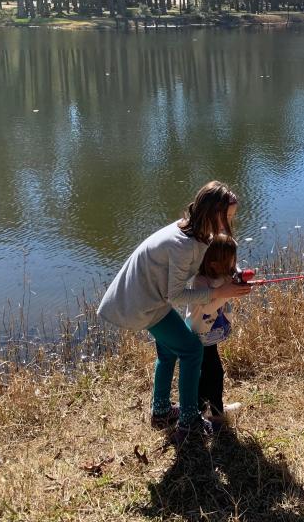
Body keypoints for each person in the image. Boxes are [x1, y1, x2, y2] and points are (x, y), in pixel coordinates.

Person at [96, 181, 253, 442]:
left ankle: (161, 413)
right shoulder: (182, 245)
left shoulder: (198, 232)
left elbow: (209, 258)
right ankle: (189, 422)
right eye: (225, 217)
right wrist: (219, 292)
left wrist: (233, 273)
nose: (227, 225)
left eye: (231, 218)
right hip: (142, 304)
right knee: (192, 350)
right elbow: (177, 296)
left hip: (145, 299)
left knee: (168, 352)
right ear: (210, 213)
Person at [184, 233, 253, 430]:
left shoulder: (224, 273)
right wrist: (227, 293)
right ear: (214, 263)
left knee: (206, 374)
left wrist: (241, 279)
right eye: (231, 261)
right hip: (199, 337)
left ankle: (204, 408)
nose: (235, 265)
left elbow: (234, 274)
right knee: (214, 373)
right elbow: (206, 308)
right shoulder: (200, 282)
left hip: (209, 337)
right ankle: (216, 415)